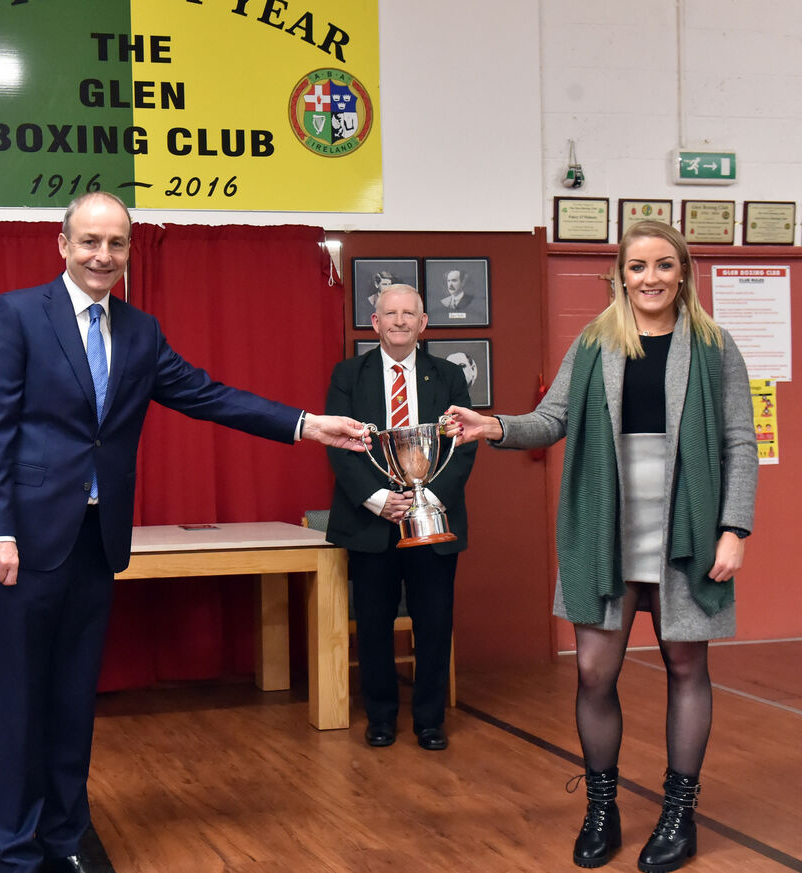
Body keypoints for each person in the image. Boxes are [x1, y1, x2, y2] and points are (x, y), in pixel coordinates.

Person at [0, 191, 367, 873]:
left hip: (94, 542)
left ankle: (65, 832)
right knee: (17, 700)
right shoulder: (18, 314)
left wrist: (305, 423)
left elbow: (211, 396)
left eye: (116, 243)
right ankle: (14, 846)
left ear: (127, 252)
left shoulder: (141, 331)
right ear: (63, 245)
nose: (103, 255)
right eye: (90, 241)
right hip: (23, 544)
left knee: (70, 698)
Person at [445, 221, 756, 872]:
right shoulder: (593, 343)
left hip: (688, 532)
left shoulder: (713, 345)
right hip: (605, 529)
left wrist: (734, 527)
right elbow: (551, 419)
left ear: (683, 273)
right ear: (620, 274)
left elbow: (739, 442)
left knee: (686, 668)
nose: (651, 278)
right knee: (593, 671)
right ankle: (603, 805)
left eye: (664, 265)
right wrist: (492, 424)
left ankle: (679, 812)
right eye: (638, 266)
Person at [323, 285, 476, 751]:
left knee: (434, 623)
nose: (400, 321)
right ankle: (381, 718)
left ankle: (429, 721)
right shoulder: (349, 374)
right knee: (373, 625)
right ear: (375, 322)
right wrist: (377, 499)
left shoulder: (448, 376)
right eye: (391, 313)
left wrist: (422, 499)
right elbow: (340, 444)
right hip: (371, 522)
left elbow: (461, 446)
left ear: (423, 323)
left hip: (433, 522)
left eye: (409, 313)